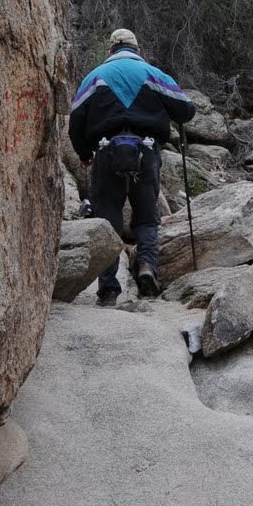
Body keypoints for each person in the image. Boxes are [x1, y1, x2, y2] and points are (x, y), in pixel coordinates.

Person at [68, 29, 196, 305]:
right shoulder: (152, 73)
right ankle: (147, 267)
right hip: (146, 152)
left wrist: (84, 153)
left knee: (107, 219)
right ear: (138, 50)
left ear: (110, 51)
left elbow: (75, 119)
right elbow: (186, 110)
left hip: (105, 152)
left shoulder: (94, 77)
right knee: (147, 218)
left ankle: (109, 289)